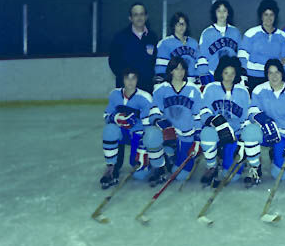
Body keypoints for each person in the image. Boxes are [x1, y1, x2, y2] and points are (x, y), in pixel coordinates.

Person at [198, 55, 259, 187]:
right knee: (207, 133)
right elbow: (203, 111)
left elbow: (246, 116)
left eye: (232, 73)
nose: (229, 76)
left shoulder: (242, 91)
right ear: (220, 72)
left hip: (234, 135)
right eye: (226, 73)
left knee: (232, 176)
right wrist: (216, 122)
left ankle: (232, 159)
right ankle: (211, 166)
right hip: (217, 131)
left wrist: (243, 139)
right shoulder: (211, 88)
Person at [100, 68, 165, 188]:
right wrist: (115, 118)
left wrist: (142, 147)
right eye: (127, 78)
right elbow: (106, 115)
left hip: (138, 135)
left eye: (133, 78)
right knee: (109, 130)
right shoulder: (115, 95)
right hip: (123, 133)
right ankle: (111, 169)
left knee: (139, 174)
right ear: (123, 80)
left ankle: (157, 166)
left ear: (137, 80)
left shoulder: (144, 97)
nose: (130, 82)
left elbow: (148, 126)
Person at [246, 59, 285, 181]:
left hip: (284, 134)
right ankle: (255, 166)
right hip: (266, 132)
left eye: (277, 72)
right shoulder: (259, 89)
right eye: (270, 73)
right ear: (266, 74)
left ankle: (276, 154)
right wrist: (264, 120)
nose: (274, 76)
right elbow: (251, 112)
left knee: (282, 176)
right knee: (250, 131)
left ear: (282, 73)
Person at [149, 56, 203, 185]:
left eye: (182, 69)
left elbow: (198, 115)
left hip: (187, 135)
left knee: (180, 176)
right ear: (171, 71)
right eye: (177, 69)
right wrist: (160, 122)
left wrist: (197, 139)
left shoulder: (193, 89)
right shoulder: (161, 89)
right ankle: (160, 165)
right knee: (151, 134)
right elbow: (154, 111)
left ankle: (174, 158)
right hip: (169, 134)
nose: (180, 72)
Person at [239, 0, 285, 91]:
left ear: (275, 16)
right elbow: (242, 57)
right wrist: (243, 79)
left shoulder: (282, 36)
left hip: (275, 78)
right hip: (253, 77)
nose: (269, 18)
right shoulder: (251, 33)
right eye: (266, 14)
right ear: (261, 16)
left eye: (271, 15)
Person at [108, 2, 159, 93]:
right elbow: (113, 62)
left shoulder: (153, 37)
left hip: (147, 88)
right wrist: (126, 79)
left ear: (146, 17)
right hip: (126, 88)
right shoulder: (120, 37)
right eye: (135, 15)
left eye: (142, 14)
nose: (139, 18)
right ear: (130, 18)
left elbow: (155, 61)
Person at [197, 0, 242, 85]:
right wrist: (204, 76)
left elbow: (240, 55)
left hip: (231, 75)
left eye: (224, 11)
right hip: (212, 74)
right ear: (215, 13)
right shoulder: (207, 33)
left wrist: (241, 74)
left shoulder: (235, 32)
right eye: (219, 11)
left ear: (228, 13)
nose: (222, 14)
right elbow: (202, 57)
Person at [155, 12, 200, 84]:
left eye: (183, 24)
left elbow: (198, 65)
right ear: (173, 26)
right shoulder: (165, 43)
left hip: (192, 82)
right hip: (173, 83)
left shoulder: (193, 43)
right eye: (178, 24)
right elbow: (160, 70)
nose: (181, 27)